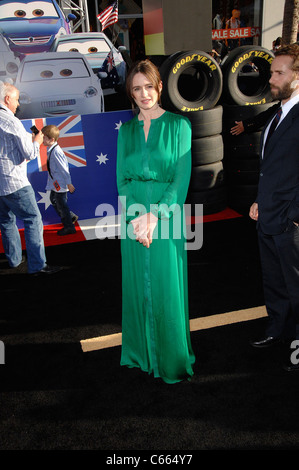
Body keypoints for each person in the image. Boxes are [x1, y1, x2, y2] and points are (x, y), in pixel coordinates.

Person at [116, 59, 195, 384]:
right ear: (131, 94)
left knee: (165, 287)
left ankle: (170, 358)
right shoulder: (127, 131)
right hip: (133, 223)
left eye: (149, 86)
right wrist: (137, 220)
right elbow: (121, 180)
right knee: (137, 287)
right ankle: (140, 354)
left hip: (167, 218)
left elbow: (180, 181)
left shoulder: (179, 126)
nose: (144, 93)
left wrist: (155, 217)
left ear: (159, 87)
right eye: (137, 89)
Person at [249, 44, 299, 371]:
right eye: (272, 72)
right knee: (274, 283)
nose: (272, 78)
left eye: (279, 73)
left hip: (290, 222)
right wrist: (258, 200)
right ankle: (277, 331)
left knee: (297, 289)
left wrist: (295, 218)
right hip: (267, 216)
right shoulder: (278, 113)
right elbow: (271, 168)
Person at [0, 82, 60, 274]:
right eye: (17, 100)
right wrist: (37, 141)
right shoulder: (11, 121)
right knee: (33, 219)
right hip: (14, 182)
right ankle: (38, 266)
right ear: (7, 99)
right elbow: (29, 153)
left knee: (6, 222)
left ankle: (14, 261)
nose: (18, 105)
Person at [42, 124, 77, 236]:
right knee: (54, 200)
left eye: (44, 137)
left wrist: (69, 183)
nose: (42, 139)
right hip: (55, 183)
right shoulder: (51, 149)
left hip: (61, 184)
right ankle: (70, 217)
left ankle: (69, 226)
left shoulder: (56, 152)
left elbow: (64, 169)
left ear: (51, 139)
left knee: (62, 205)